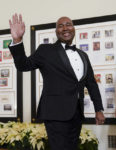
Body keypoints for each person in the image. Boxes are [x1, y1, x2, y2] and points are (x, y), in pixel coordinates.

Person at [9, 14, 105, 150]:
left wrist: (98, 109)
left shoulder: (83, 55)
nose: (65, 28)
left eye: (68, 24)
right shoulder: (45, 50)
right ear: (56, 31)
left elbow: (91, 83)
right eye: (60, 26)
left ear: (74, 29)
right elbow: (23, 65)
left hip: (76, 113)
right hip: (55, 113)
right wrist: (17, 40)